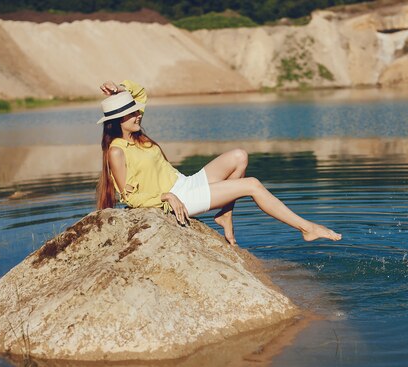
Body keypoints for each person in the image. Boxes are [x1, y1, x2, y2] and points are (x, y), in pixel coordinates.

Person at [96, 79, 341, 245]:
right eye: (131, 113)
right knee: (252, 184)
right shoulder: (117, 152)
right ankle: (306, 228)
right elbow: (130, 199)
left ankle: (226, 215)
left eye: (136, 110)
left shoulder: (137, 135)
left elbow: (141, 94)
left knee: (239, 156)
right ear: (117, 119)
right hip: (175, 200)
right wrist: (165, 197)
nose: (138, 114)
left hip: (184, 184)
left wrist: (120, 88)